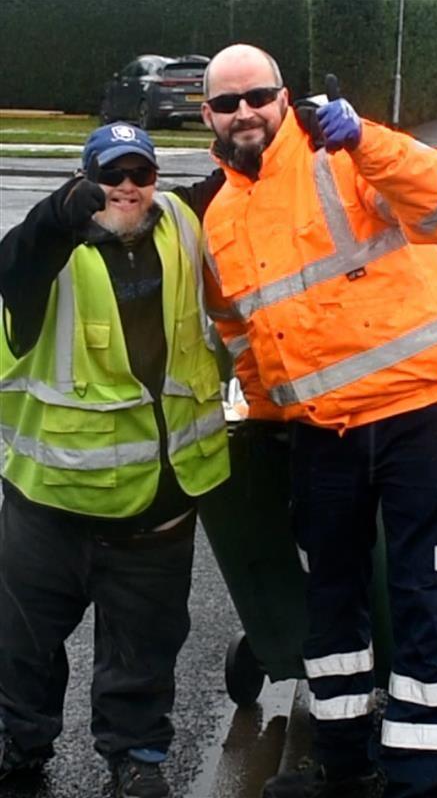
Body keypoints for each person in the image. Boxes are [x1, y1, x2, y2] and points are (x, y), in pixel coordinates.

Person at [201, 44, 437, 798]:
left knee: (423, 598)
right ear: (207, 115)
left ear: (285, 99)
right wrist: (271, 417)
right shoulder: (219, 216)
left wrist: (366, 137)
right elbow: (243, 334)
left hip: (418, 416)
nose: (245, 111)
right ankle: (342, 763)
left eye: (259, 95)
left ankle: (422, 775)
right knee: (332, 601)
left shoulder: (343, 158)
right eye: (227, 102)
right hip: (321, 438)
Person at [0, 121, 230, 798]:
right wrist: (57, 214)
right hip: (50, 503)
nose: (127, 188)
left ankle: (138, 757)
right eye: (111, 175)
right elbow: (14, 260)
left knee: (145, 647)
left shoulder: (179, 224)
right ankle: (20, 748)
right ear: (85, 179)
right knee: (24, 646)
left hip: (159, 499)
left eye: (140, 174)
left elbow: (236, 177)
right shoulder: (51, 252)